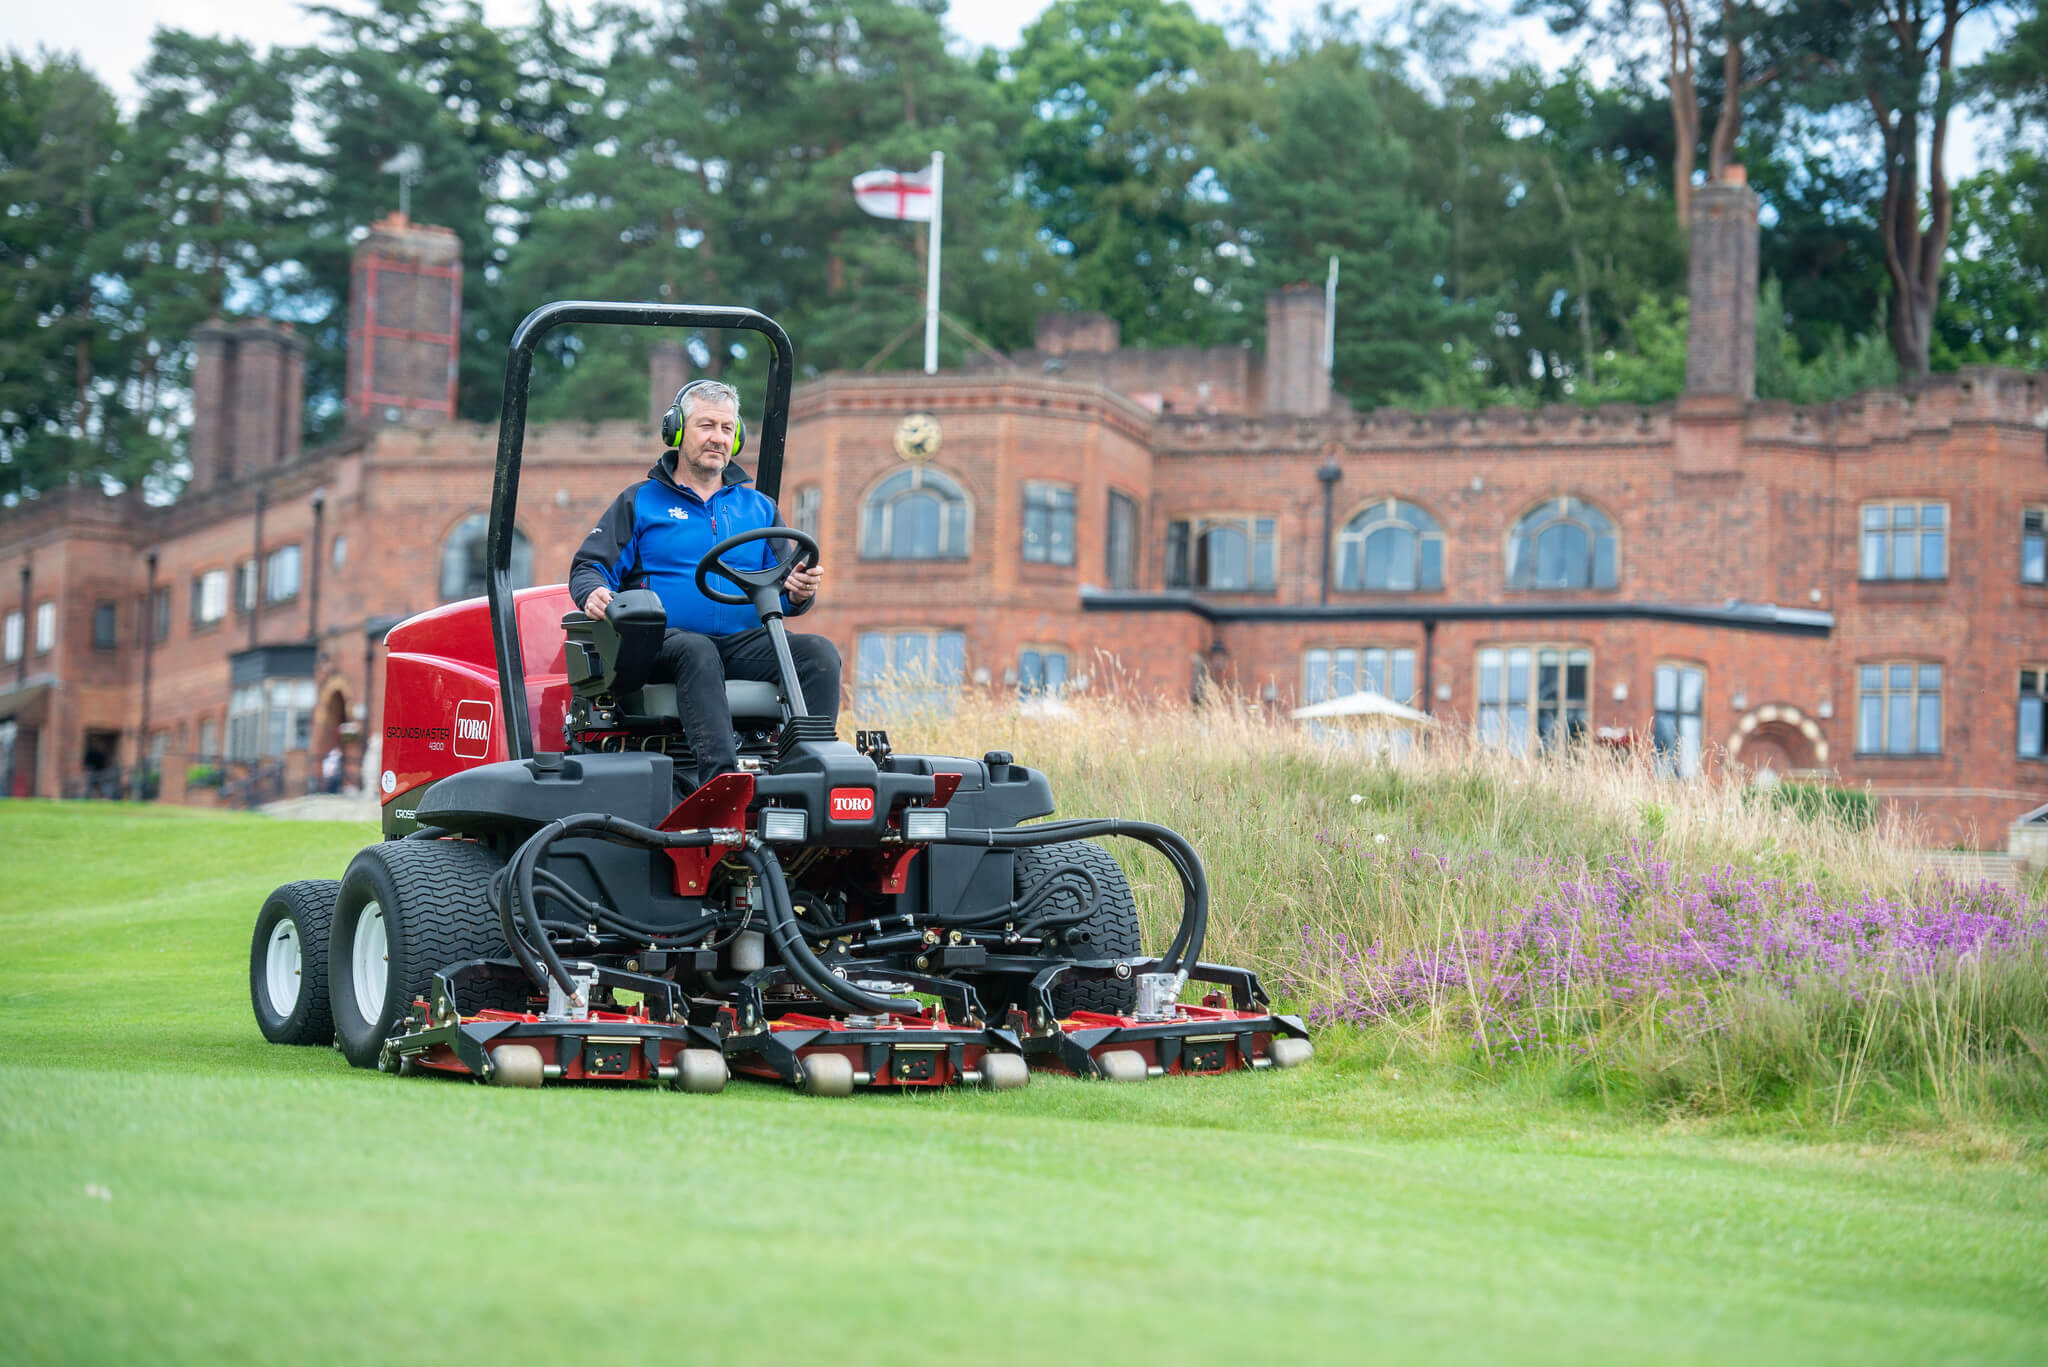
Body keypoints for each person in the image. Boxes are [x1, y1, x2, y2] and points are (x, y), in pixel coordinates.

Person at [568, 379, 839, 787]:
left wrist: (800, 591)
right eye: (706, 425)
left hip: (740, 642)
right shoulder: (640, 501)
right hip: (662, 645)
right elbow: (589, 566)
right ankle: (722, 783)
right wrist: (594, 593)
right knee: (696, 650)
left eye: (727, 429)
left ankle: (806, 776)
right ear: (676, 430)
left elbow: (784, 586)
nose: (718, 438)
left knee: (817, 654)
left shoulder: (759, 508)